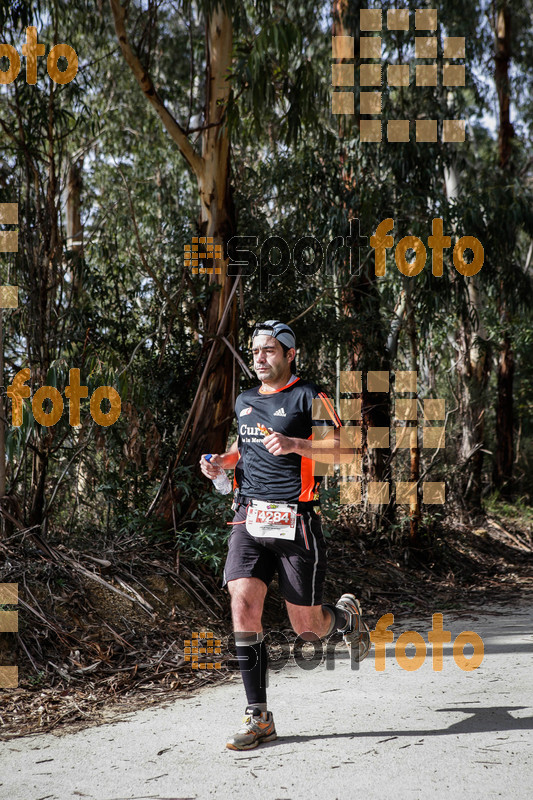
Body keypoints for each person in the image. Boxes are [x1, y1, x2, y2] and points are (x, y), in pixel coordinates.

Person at [199, 320, 370, 751]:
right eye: (255, 351)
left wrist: (296, 445)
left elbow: (349, 449)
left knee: (307, 629)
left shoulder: (309, 396)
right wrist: (223, 460)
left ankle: (347, 618)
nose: (260, 358)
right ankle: (258, 716)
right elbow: (250, 448)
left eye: (270, 350)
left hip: (297, 521)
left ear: (290, 354)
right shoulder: (244, 401)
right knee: (242, 601)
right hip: (248, 517)